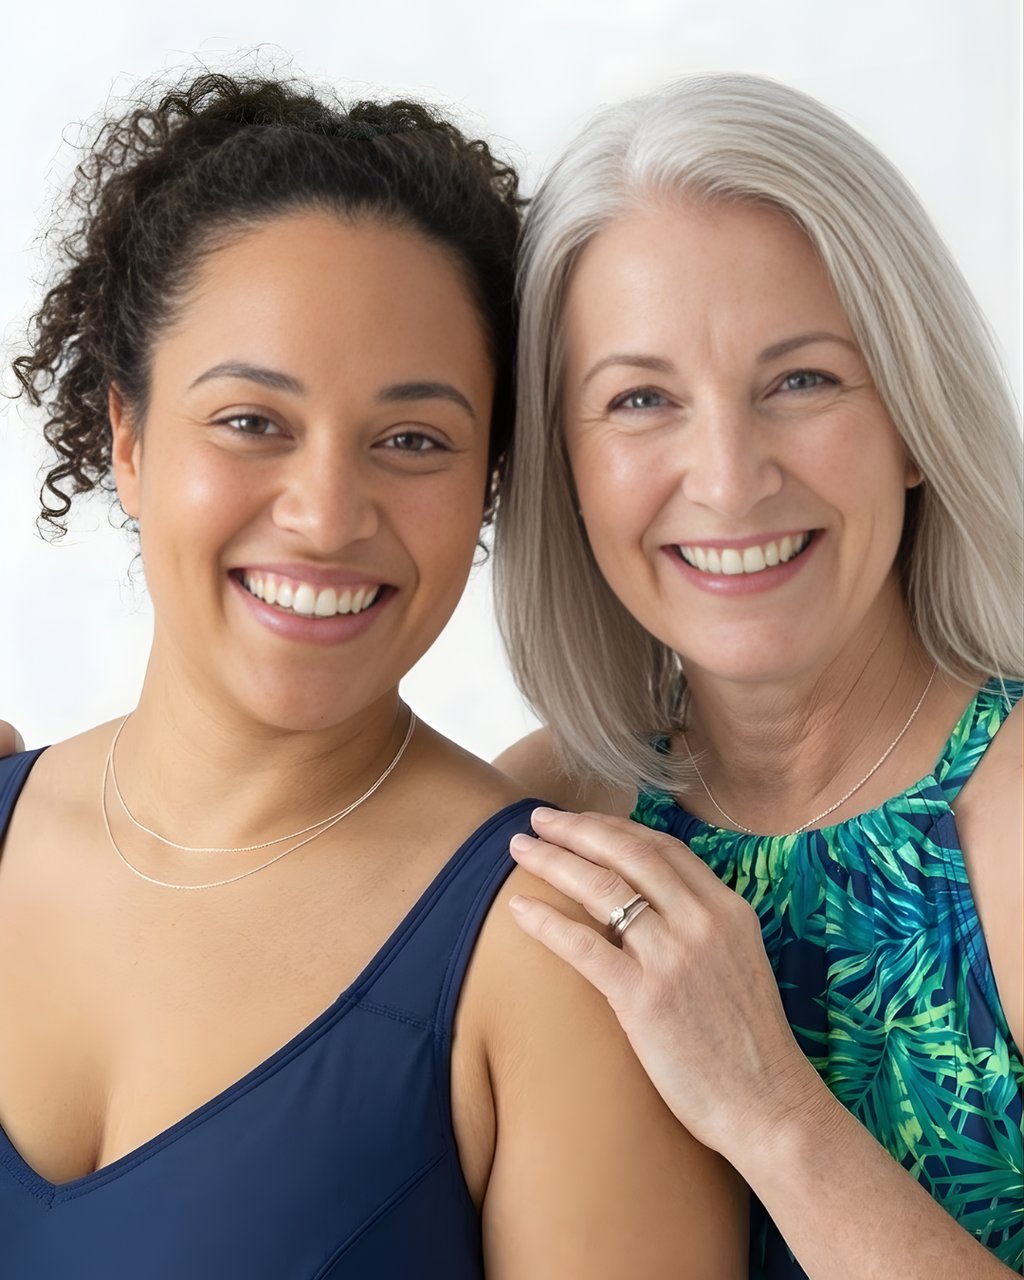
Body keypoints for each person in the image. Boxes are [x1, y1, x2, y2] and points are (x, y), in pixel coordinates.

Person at [0, 71, 746, 1278]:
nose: (327, 512)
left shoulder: (557, 959)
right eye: (252, 420)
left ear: (489, 486)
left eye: (413, 440)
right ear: (128, 439)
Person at [493, 74, 1023, 1277]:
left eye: (801, 379)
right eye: (640, 399)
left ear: (912, 419)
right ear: (564, 472)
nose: (729, 479)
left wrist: (767, 1108)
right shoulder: (551, 812)